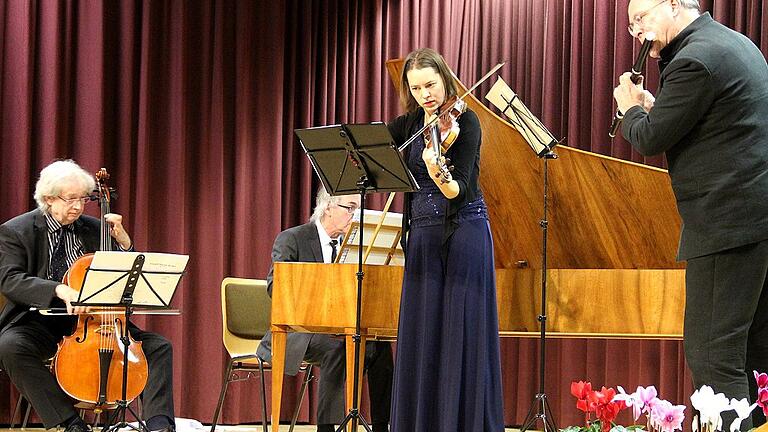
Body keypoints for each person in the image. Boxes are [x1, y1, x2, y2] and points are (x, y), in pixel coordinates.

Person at [613, 0, 768, 428]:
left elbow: (648, 136)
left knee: (713, 355)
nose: (638, 32)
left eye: (640, 19)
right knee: (754, 354)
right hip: (756, 220)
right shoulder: (734, 44)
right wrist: (651, 107)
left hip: (728, 223)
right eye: (631, 26)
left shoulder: (694, 60)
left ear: (676, 4)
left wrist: (630, 108)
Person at [0, 160, 176, 432]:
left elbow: (126, 276)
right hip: (41, 322)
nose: (79, 207)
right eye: (71, 199)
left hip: (97, 322)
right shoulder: (16, 231)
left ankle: (159, 425)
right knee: (9, 346)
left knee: (158, 346)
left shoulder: (95, 228)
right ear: (49, 199)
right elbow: (11, 279)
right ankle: (70, 423)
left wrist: (126, 244)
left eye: (83, 199)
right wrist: (58, 289)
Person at [386, 48, 504, 431]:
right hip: (421, 240)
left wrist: (442, 176)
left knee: (460, 331)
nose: (426, 94)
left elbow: (460, 190)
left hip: (463, 234)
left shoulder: (466, 123)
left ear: (445, 79)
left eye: (431, 84)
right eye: (416, 87)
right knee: (424, 334)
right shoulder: (406, 127)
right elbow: (374, 157)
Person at [256, 186, 393, 432]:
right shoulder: (293, 238)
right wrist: (316, 291)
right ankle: (327, 427)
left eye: (357, 209)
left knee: (378, 346)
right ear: (328, 206)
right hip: (300, 329)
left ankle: (383, 425)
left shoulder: (352, 246)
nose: (354, 215)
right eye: (350, 208)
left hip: (340, 327)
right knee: (337, 346)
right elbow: (275, 287)